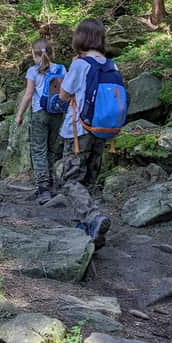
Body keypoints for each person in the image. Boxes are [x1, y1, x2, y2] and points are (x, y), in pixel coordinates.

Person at [58, 18, 112, 248]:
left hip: (79, 130)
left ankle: (93, 217)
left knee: (70, 180)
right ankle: (84, 226)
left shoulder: (80, 65)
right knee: (87, 180)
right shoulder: (110, 64)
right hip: (103, 128)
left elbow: (63, 95)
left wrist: (71, 68)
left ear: (81, 37)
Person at [14, 39, 66, 205]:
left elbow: (28, 95)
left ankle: (43, 189)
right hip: (57, 113)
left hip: (39, 113)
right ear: (52, 53)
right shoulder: (61, 68)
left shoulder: (32, 71)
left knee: (38, 151)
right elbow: (66, 91)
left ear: (34, 54)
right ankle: (52, 185)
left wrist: (19, 114)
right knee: (52, 150)